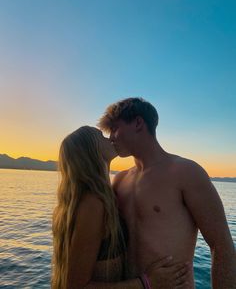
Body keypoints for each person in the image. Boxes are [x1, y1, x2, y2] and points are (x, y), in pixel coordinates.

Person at [98, 97, 236, 289]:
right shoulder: (120, 180)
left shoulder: (186, 172)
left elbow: (222, 246)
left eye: (115, 128)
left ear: (138, 123)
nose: (111, 137)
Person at [51, 126, 190, 289]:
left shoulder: (102, 196)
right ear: (90, 150)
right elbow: (74, 286)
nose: (110, 138)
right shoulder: (93, 203)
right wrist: (147, 283)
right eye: (101, 136)